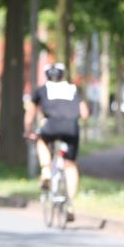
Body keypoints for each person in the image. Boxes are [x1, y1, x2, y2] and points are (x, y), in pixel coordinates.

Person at [24, 62, 90, 222]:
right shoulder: (73, 89)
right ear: (63, 76)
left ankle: (46, 171)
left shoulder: (42, 90)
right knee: (70, 165)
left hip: (51, 126)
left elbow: (30, 112)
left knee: (41, 141)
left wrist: (28, 131)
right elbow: (85, 113)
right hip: (71, 128)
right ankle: (70, 204)